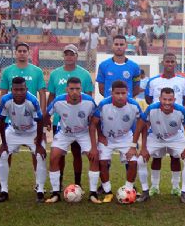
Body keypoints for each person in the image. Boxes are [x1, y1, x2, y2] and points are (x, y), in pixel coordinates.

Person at [134, 87, 185, 203]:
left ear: (174, 99)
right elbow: (141, 127)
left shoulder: (181, 110)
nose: (167, 103)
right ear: (159, 99)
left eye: (170, 100)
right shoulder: (151, 109)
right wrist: (143, 147)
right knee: (141, 160)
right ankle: (147, 190)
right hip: (156, 138)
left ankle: (182, 191)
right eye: (164, 99)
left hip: (176, 138)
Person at [44, 77, 100, 204]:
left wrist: (96, 141)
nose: (75, 91)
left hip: (83, 132)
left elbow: (96, 118)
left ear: (81, 89)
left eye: (78, 89)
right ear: (66, 89)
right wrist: (47, 123)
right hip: (65, 133)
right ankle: (55, 192)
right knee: (54, 156)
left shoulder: (89, 101)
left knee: (94, 157)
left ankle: (93, 193)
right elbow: (46, 115)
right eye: (72, 89)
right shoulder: (58, 101)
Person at [46, 44, 94, 188]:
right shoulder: (55, 74)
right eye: (66, 54)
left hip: (79, 123)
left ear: (76, 56)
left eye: (72, 54)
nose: (69, 57)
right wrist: (48, 117)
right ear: (63, 56)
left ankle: (77, 184)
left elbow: (89, 99)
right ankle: (58, 183)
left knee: (77, 153)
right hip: (59, 122)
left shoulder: (85, 74)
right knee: (59, 154)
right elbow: (52, 96)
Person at [144, 53, 185, 198]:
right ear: (162, 63)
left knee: (175, 157)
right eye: (167, 61)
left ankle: (176, 187)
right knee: (156, 158)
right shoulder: (153, 81)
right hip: (157, 125)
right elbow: (148, 99)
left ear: (175, 63)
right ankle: (155, 186)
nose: (169, 64)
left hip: (175, 125)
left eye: (172, 61)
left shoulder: (183, 81)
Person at [0, 77, 46, 203]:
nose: (18, 93)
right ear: (11, 89)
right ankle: (4, 191)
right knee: (2, 154)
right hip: (14, 131)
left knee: (40, 156)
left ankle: (40, 190)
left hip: (32, 132)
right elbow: (1, 121)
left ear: (26, 89)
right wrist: (4, 143)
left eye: (22, 90)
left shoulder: (33, 100)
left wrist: (39, 144)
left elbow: (40, 122)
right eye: (16, 90)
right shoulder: (5, 100)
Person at [90, 80, 142, 203]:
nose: (120, 96)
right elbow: (93, 124)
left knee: (133, 163)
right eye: (117, 93)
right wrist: (100, 137)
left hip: (126, 137)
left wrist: (134, 145)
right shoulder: (103, 104)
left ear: (127, 93)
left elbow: (141, 123)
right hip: (107, 138)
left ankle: (128, 190)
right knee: (102, 162)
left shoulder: (134, 105)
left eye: (123, 93)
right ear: (111, 93)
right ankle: (107, 192)